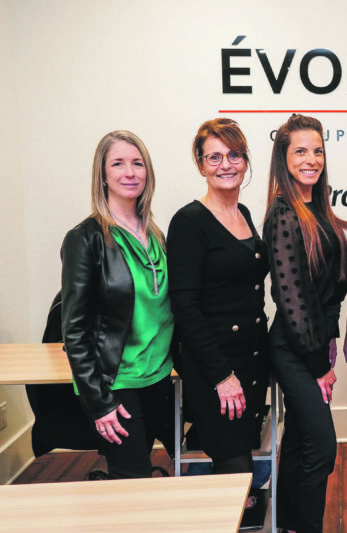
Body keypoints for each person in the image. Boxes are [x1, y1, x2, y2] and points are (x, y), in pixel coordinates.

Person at [168, 118, 270, 516]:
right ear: (200, 164)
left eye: (234, 155)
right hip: (217, 367)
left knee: (242, 461)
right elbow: (185, 307)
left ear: (245, 160)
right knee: (234, 467)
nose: (226, 164)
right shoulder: (189, 222)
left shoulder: (243, 212)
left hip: (252, 360)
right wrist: (221, 377)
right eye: (215, 156)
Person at [61, 130, 173, 479]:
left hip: (157, 377)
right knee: (132, 482)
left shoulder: (154, 232)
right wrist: (98, 403)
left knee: (141, 469)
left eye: (138, 163)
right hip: (116, 383)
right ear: (103, 175)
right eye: (118, 163)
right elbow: (74, 330)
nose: (130, 172)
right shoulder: (86, 239)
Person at [262, 114, 347, 533]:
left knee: (301, 442)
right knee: (321, 447)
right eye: (300, 150)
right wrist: (319, 365)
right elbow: (291, 299)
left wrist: (327, 345)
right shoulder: (283, 213)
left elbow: (327, 292)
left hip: (313, 345)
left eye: (317, 150)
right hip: (292, 348)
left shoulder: (319, 211)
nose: (311, 159)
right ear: (284, 157)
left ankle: (287, 525)